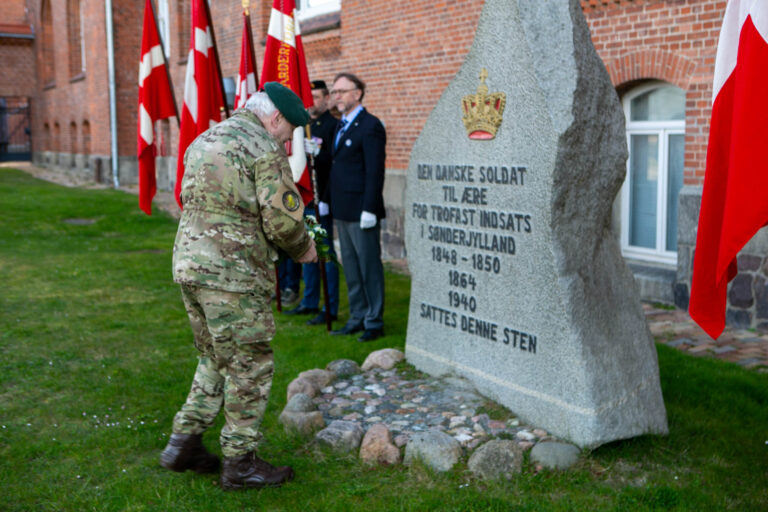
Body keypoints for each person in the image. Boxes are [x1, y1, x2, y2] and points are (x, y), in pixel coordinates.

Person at [160, 82, 316, 491]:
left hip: (190, 263)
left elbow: (186, 196)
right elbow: (282, 221)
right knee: (250, 364)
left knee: (215, 356)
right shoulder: (263, 148)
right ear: (276, 118)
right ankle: (240, 462)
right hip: (233, 273)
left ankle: (184, 442)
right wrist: (304, 248)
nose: (287, 142)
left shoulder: (204, 139)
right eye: (289, 132)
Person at [328, 72, 386, 342]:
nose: (336, 96)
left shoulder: (370, 125)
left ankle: (374, 321)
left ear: (357, 93)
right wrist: (327, 199)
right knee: (351, 267)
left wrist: (370, 209)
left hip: (362, 210)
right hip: (343, 208)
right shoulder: (341, 125)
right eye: (334, 91)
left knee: (368, 267)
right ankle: (357, 316)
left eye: (341, 91)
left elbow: (375, 171)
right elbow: (337, 166)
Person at [284, 79, 340, 325]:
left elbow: (337, 162)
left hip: (322, 199)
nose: (312, 103)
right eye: (309, 98)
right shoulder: (302, 127)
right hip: (305, 199)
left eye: (316, 97)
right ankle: (309, 301)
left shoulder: (333, 125)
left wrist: (320, 154)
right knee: (308, 251)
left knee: (325, 254)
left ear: (327, 99)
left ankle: (330, 306)